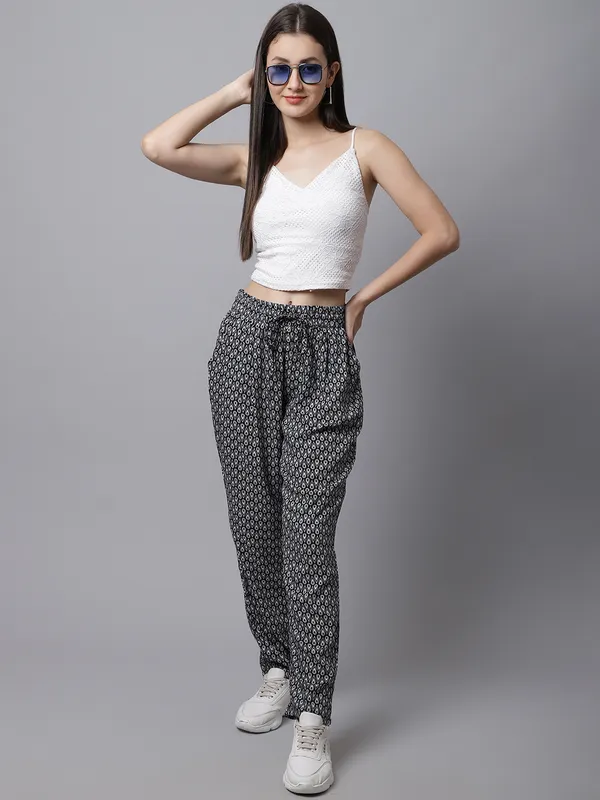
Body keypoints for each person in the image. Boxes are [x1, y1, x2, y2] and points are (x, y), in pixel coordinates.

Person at [141, 2, 459, 794]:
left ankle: (313, 716)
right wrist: (234, 92)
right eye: (277, 69)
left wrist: (364, 296)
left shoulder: (366, 148)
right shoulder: (255, 157)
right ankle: (277, 669)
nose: (293, 82)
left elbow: (441, 231)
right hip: (247, 339)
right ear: (265, 74)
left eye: (308, 68)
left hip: (323, 345)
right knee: (255, 523)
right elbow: (158, 146)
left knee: (308, 536)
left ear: (332, 73)